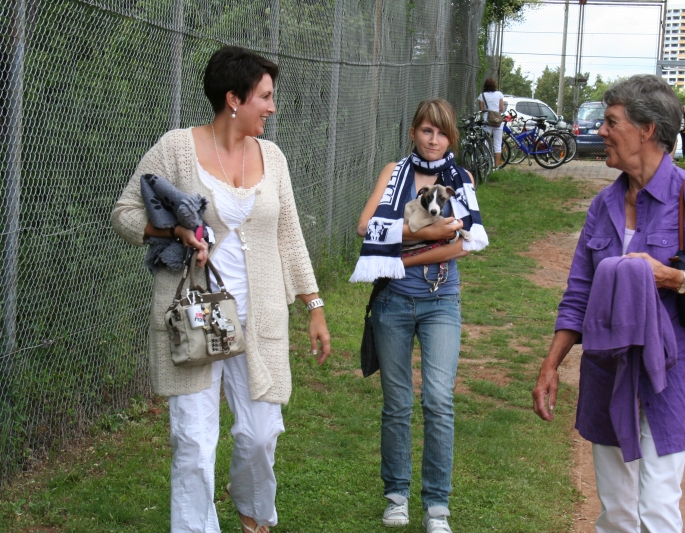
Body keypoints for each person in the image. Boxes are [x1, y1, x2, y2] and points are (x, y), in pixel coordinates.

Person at [111, 46, 331, 533]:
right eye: (265, 97)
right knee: (193, 442)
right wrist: (174, 231)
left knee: (260, 434)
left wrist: (313, 305)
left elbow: (289, 236)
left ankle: (252, 509)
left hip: (260, 318)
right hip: (197, 316)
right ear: (234, 98)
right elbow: (124, 213)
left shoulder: (273, 157)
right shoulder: (176, 148)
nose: (272, 107)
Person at [531, 75, 685, 533]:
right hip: (609, 371)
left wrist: (671, 277)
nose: (602, 131)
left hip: (672, 373)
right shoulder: (604, 205)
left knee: (655, 508)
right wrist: (551, 365)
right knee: (616, 511)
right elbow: (579, 294)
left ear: (647, 129)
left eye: (612, 122)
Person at [351, 99, 489, 533]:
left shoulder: (461, 180)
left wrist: (400, 253)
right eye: (427, 130)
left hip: (440, 299)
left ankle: (437, 507)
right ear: (413, 132)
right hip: (393, 301)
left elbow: (463, 243)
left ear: (451, 138)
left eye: (442, 132)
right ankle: (397, 496)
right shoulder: (394, 173)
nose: (434, 139)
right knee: (397, 403)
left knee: (438, 400)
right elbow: (364, 227)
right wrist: (427, 231)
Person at [477, 78, 504, 168]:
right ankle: (496, 166)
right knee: (497, 144)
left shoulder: (482, 95)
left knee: (486, 143)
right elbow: (501, 108)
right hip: (497, 121)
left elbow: (481, 110)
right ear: (494, 85)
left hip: (487, 121)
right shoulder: (499, 94)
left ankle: (487, 165)